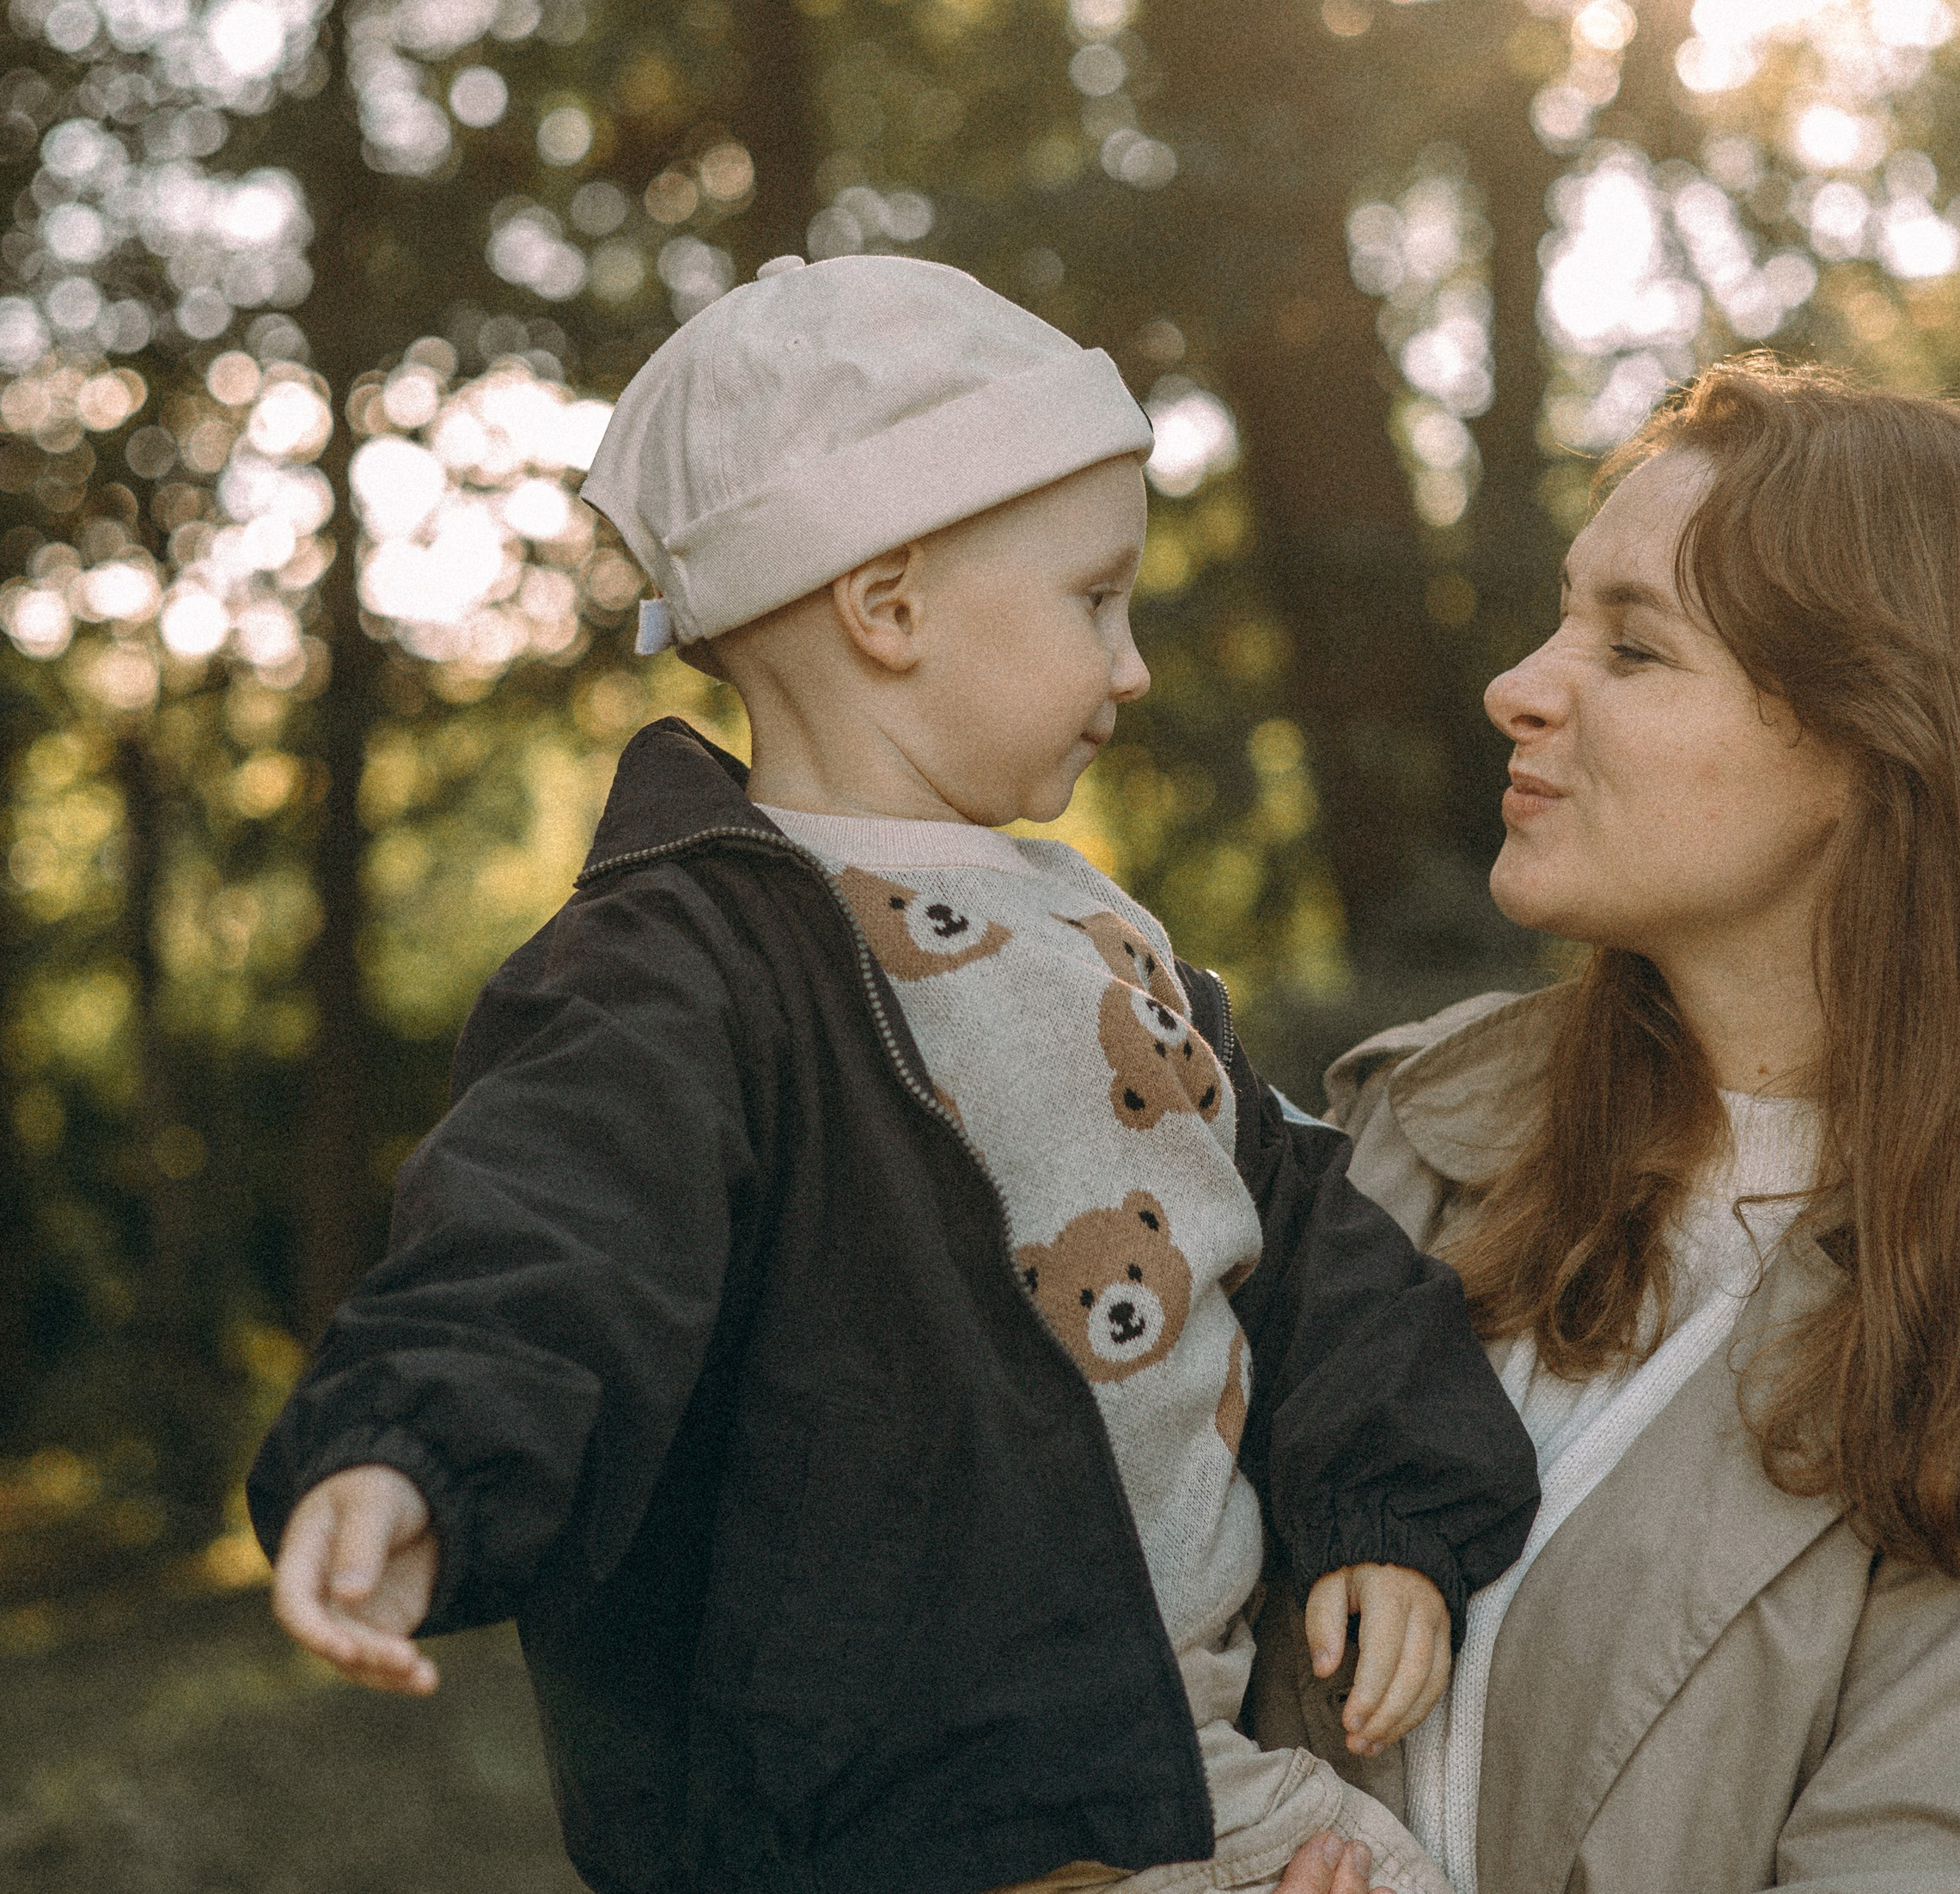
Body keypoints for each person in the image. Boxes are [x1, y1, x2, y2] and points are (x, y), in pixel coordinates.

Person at [247, 256, 1539, 1894]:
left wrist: (1386, 1512)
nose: (1132, 666)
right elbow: (553, 1236)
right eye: (1095, 601)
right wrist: (416, 1443)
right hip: (876, 1824)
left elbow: (1307, 1238)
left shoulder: (1101, 940)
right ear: (891, 603)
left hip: (1183, 1789)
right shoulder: (687, 957)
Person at [1257, 361, 1960, 1894]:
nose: (1521, 685)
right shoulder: (1400, 1142)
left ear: (1880, 739)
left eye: (1631, 646)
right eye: (1566, 613)